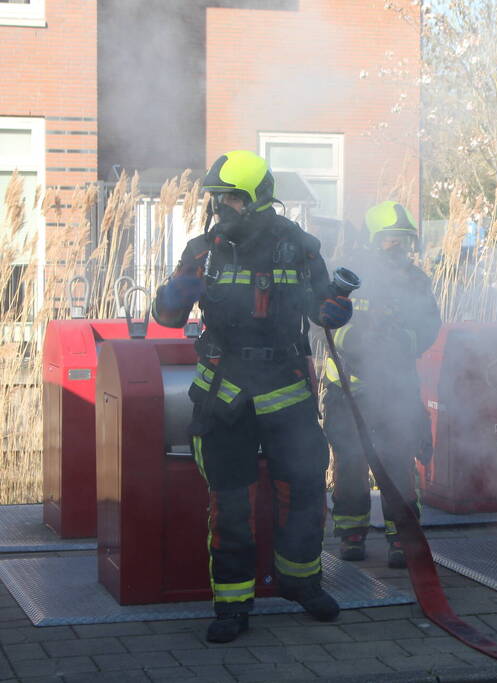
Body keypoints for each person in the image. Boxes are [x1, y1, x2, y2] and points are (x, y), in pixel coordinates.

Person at [152, 150, 353, 644]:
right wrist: (178, 289)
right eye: (218, 199)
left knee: (305, 490)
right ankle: (232, 604)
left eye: (230, 198)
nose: (222, 208)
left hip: (285, 388)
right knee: (232, 505)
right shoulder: (204, 249)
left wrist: (338, 304)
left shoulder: (301, 247)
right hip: (225, 396)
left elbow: (322, 310)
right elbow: (168, 318)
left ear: (256, 197)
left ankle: (301, 582)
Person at [322, 200, 440, 569]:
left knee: (397, 462)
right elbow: (323, 322)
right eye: (391, 238)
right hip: (349, 387)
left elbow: (429, 328)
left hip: (396, 388)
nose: (399, 246)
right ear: (375, 239)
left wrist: (401, 340)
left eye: (404, 239)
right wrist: (356, 339)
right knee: (350, 462)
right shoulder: (348, 274)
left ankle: (402, 537)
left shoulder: (416, 281)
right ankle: (352, 533)